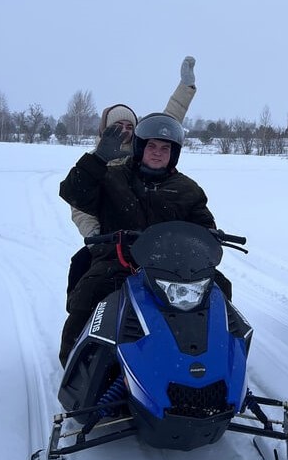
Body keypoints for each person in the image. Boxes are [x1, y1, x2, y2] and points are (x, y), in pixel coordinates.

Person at [58, 112, 216, 366]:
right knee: (92, 289)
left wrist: (208, 239)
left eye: (165, 148)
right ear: (140, 147)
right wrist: (97, 160)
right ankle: (78, 363)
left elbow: (204, 226)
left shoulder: (187, 188)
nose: (157, 152)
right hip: (118, 259)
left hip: (173, 267)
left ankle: (216, 355)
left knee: (217, 290)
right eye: (151, 146)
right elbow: (73, 193)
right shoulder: (113, 177)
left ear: (174, 153)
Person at [66, 56, 198, 292]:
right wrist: (97, 235)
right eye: (117, 127)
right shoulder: (97, 164)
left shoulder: (146, 155)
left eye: (129, 126)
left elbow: (169, 120)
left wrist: (185, 88)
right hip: (112, 242)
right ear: (105, 130)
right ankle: (80, 328)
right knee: (84, 277)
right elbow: (79, 202)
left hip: (154, 246)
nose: (124, 132)